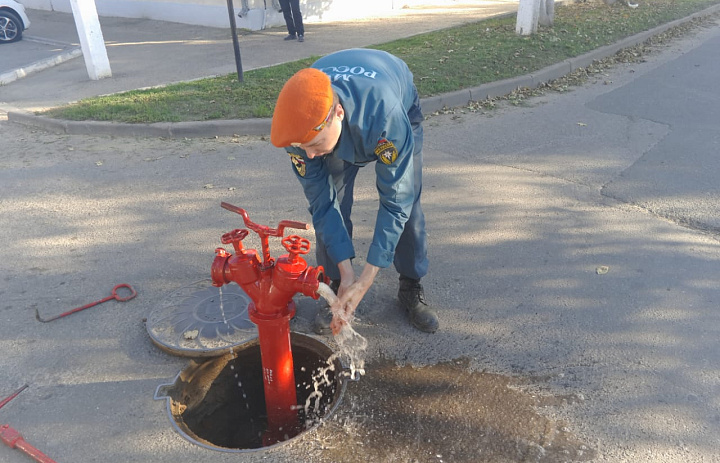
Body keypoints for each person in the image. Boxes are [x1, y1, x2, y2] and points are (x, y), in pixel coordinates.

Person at [270, 48, 439, 335]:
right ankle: (335, 284)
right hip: (338, 120)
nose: (310, 156)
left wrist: (366, 279)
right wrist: (348, 272)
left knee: (407, 205)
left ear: (338, 113)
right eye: (302, 147)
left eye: (315, 144)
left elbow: (396, 201)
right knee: (333, 205)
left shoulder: (385, 116)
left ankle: (410, 284)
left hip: (392, 105)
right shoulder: (297, 131)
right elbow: (322, 204)